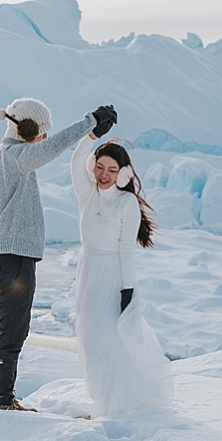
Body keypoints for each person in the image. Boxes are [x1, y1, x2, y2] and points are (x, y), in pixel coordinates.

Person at [0, 98, 117, 411]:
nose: (43, 137)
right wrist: (89, 122)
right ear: (27, 129)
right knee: (13, 331)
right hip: (12, 258)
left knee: (14, 329)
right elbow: (51, 148)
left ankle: (3, 397)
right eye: (40, 132)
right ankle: (1, 400)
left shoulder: (1, 158)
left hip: (7, 256)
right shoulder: (15, 157)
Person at [69, 121, 174, 417]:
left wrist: (127, 289)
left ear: (123, 174)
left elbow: (127, 249)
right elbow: (76, 159)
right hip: (88, 272)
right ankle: (102, 396)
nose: (104, 175)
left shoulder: (126, 202)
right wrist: (92, 133)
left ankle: (113, 404)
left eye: (112, 170)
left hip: (114, 276)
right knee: (89, 339)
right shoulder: (87, 194)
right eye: (100, 167)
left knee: (110, 341)